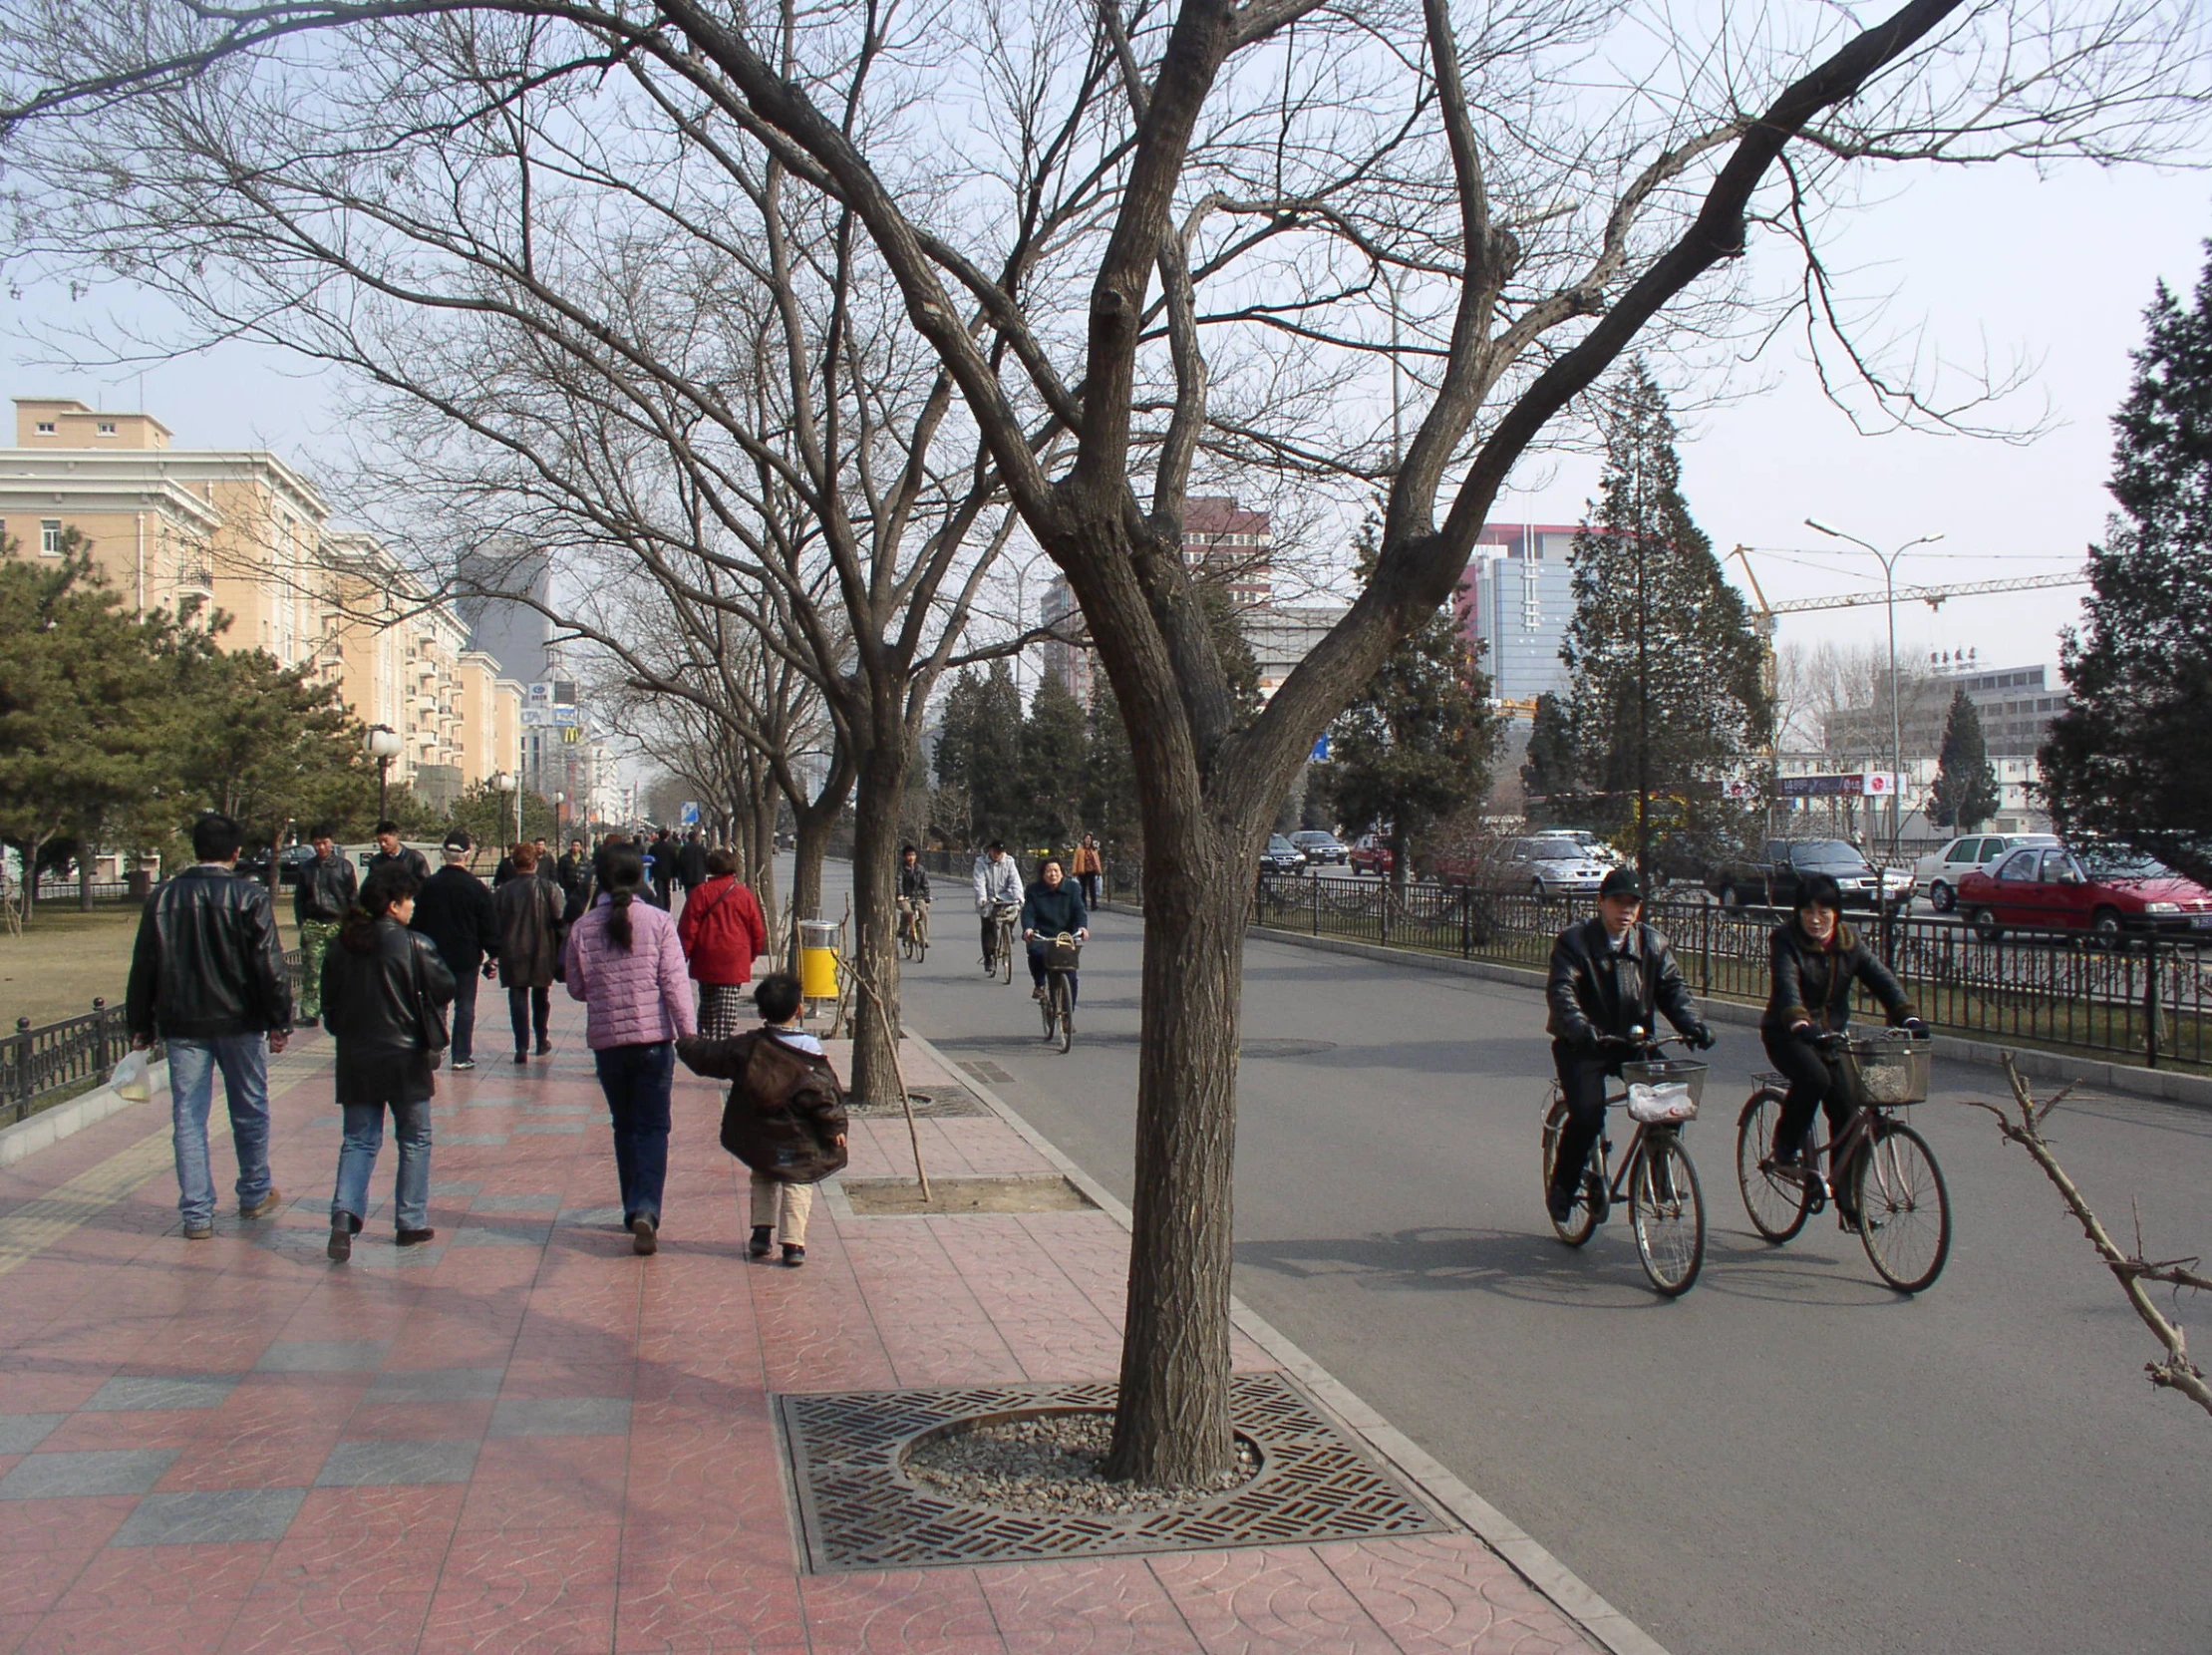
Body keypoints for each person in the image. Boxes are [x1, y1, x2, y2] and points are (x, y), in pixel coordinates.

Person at [126, 812, 294, 1240]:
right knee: (250, 1106)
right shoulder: (248, 896)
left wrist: (140, 1023)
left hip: (184, 1023)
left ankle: (197, 1212)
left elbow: (144, 964)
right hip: (240, 1020)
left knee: (188, 1115)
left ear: (195, 848)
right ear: (236, 853)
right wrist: (279, 1019)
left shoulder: (163, 898)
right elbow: (269, 964)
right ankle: (254, 1191)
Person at [1543, 868, 1715, 1225]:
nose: (1625, 911)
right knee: (1588, 1115)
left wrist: (1693, 1025)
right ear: (1601, 903)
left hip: (1633, 1042)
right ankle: (1563, 1185)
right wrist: (1578, 1025)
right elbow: (1562, 990)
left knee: (1671, 1101)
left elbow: (1672, 990)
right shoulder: (1574, 943)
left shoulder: (1652, 943)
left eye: (1633, 904)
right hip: (1584, 1044)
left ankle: (1658, 1174)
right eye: (1618, 902)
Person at [1761, 874, 1925, 1209]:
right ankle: (1785, 1145)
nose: (1816, 918)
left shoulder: (1850, 944)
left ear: (1837, 913)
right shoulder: (1784, 940)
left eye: (1824, 911)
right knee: (1814, 1078)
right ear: (1798, 913)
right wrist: (1799, 1020)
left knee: (1847, 1106)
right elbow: (1786, 986)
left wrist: (1907, 1015)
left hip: (1832, 1036)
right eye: (1808, 911)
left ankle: (1848, 1201)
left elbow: (1883, 981)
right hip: (1787, 1034)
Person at [564, 841, 697, 1255]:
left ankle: (631, 1207)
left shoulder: (583, 928)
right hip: (654, 1041)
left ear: (599, 878)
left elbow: (576, 987)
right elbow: (675, 984)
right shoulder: (658, 922)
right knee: (653, 1126)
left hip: (609, 1043)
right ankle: (647, 1207)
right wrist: (688, 1034)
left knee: (623, 1125)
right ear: (640, 877)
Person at [320, 862, 455, 1260]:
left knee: (359, 1139)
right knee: (415, 1137)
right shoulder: (415, 945)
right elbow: (444, 986)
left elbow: (329, 1007)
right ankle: (410, 1220)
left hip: (356, 1057)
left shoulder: (340, 946)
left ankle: (344, 1216)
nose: (412, 906)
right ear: (394, 905)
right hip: (406, 1055)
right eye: (409, 900)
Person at [677, 972, 848, 1268]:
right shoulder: (810, 1052)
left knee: (763, 1174)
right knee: (798, 1183)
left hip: (758, 1133)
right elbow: (823, 1097)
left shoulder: (748, 1046)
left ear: (760, 1012)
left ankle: (761, 1232)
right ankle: (793, 1244)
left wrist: (685, 1041)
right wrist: (835, 1127)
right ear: (798, 1009)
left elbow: (710, 1056)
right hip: (799, 1138)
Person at [408, 832, 499, 1072]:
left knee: (436, 1003)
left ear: (443, 854)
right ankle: (461, 1055)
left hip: (433, 956)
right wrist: (494, 954)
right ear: (467, 855)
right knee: (465, 1006)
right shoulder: (476, 887)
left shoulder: (428, 886)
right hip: (466, 956)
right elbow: (488, 924)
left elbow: (417, 922)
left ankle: (434, 1047)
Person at [677, 847, 769, 1038]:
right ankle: (721, 1043)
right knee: (725, 1009)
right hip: (734, 958)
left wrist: (681, 957)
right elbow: (757, 930)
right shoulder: (744, 895)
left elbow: (687, 929)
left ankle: (707, 1041)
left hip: (705, 956)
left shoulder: (699, 893)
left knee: (708, 1004)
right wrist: (750, 955)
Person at [494, 841, 565, 1063]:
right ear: (535, 863)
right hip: (542, 950)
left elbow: (494, 923)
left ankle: (521, 1046)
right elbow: (560, 920)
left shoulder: (503, 892)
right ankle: (541, 1039)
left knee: (517, 997)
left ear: (515, 864)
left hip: (512, 951)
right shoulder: (548, 888)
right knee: (541, 996)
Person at [291, 822, 357, 1029]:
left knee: (341, 970)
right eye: (317, 844)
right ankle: (310, 1012)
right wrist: (302, 922)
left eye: (324, 843)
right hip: (314, 923)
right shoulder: (307, 868)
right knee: (312, 970)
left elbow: (352, 897)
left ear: (332, 842)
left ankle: (343, 1009)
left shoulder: (344, 866)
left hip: (337, 923)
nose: (321, 848)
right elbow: (299, 898)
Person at [1019, 858, 1091, 1008]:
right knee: (1036, 954)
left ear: (1062, 873)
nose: (1053, 874)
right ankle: (1039, 984)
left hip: (1065, 937)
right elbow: (1028, 912)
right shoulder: (1034, 890)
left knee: (1071, 976)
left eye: (1056, 871)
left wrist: (1082, 928)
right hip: (1042, 935)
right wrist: (1028, 928)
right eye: (1049, 871)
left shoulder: (1073, 888)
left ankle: (1067, 1015)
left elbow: (1079, 911)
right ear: (1043, 874)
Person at [972, 839, 1023, 974]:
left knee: (1015, 909)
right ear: (990, 850)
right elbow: (979, 882)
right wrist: (982, 898)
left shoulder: (1009, 862)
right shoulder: (981, 862)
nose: (997, 855)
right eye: (995, 852)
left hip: (1005, 896)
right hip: (988, 899)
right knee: (988, 926)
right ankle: (989, 957)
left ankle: (1008, 931)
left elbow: (1015, 881)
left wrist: (1019, 897)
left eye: (1000, 853)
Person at [898, 845, 931, 947]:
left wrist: (927, 899)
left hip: (918, 896)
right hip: (905, 897)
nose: (911, 857)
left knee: (923, 913)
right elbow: (898, 882)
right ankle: (902, 929)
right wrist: (900, 894)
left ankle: (924, 939)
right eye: (908, 855)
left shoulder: (920, 869)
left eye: (913, 855)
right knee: (907, 911)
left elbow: (925, 884)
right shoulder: (901, 869)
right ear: (904, 857)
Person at [557, 837, 593, 922]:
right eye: (573, 845)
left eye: (577, 845)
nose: (575, 847)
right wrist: (563, 884)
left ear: (580, 847)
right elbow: (559, 872)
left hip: (581, 887)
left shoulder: (585, 860)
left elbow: (588, 873)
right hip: (569, 887)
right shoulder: (564, 859)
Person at [675, 828, 710, 900]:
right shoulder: (702, 848)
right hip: (699, 876)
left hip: (687, 876)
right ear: (696, 838)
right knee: (699, 895)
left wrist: (679, 875)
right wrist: (706, 870)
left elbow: (680, 862)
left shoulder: (684, 849)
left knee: (689, 895)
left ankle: (690, 906)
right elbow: (707, 861)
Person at [1072, 833, 1104, 909]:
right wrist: (1074, 871)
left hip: (1092, 870)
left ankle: (1094, 905)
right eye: (1086, 838)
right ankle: (1083, 904)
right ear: (1084, 840)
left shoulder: (1093, 849)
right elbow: (1075, 861)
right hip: (1082, 870)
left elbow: (1097, 861)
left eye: (1089, 838)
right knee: (1083, 888)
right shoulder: (1079, 850)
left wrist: (1099, 871)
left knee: (1092, 888)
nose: (1088, 840)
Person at [648, 828, 676, 908]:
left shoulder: (653, 847)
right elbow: (674, 861)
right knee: (667, 890)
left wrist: (651, 873)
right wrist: (674, 873)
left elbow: (650, 860)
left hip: (657, 873)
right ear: (667, 836)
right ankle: (667, 907)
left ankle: (661, 906)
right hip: (668, 873)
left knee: (659, 892)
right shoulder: (671, 847)